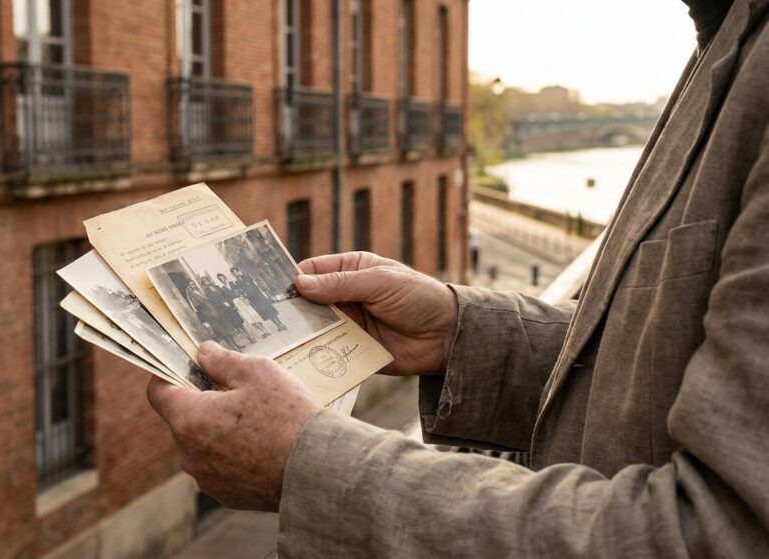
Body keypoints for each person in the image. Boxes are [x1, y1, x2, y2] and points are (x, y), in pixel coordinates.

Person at [148, 1, 769, 556]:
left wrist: (306, 465)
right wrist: (461, 335)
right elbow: (674, 360)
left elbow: (717, 534)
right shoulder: (725, 36)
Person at [183, 279, 241, 352]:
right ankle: (233, 347)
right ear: (189, 286)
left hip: (214, 311)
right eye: (192, 284)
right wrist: (204, 301)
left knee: (226, 328)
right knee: (222, 332)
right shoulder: (191, 295)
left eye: (194, 283)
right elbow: (197, 306)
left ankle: (235, 344)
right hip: (209, 315)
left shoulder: (199, 291)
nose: (194, 285)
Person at [231, 266, 288, 333]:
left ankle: (281, 324)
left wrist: (248, 293)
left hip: (259, 297)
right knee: (265, 313)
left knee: (270, 310)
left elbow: (254, 286)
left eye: (234, 272)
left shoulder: (246, 276)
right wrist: (244, 295)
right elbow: (241, 291)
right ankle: (277, 325)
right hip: (253, 300)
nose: (234, 274)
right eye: (233, 274)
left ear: (238, 271)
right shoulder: (237, 282)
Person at [202, 275, 256, 347]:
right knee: (235, 325)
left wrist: (230, 303)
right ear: (203, 284)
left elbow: (225, 295)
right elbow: (213, 302)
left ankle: (250, 337)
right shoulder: (207, 292)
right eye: (205, 282)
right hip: (223, 310)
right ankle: (246, 339)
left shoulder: (216, 287)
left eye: (207, 280)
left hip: (229, 306)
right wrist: (222, 304)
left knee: (240, 322)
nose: (207, 282)